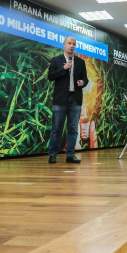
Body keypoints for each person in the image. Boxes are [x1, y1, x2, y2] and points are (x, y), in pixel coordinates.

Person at [47, 36, 89, 164]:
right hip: (60, 100)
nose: (71, 46)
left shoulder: (81, 62)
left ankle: (70, 155)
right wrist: (63, 68)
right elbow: (50, 76)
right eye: (69, 43)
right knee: (56, 128)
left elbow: (85, 79)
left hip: (75, 99)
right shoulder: (56, 60)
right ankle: (53, 154)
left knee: (73, 128)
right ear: (64, 45)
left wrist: (83, 82)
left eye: (74, 44)